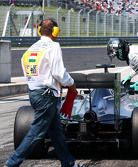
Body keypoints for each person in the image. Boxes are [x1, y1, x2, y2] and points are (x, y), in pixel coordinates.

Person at [5, 18, 84, 167]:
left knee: (56, 132)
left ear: (39, 30)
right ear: (55, 31)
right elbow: (59, 73)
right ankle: (12, 163)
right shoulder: (53, 46)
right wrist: (72, 84)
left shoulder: (30, 50)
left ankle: (68, 163)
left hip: (34, 93)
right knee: (36, 133)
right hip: (47, 95)